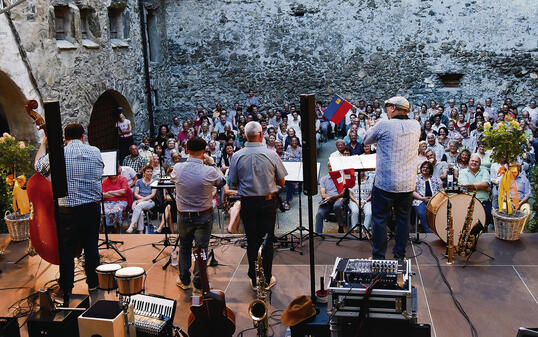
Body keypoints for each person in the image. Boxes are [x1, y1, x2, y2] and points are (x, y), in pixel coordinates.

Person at [35, 122, 104, 305]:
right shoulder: (95, 151)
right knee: (91, 247)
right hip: (91, 207)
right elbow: (100, 172)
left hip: (67, 210)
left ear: (65, 138)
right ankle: (94, 284)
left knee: (66, 250)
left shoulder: (58, 154)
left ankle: (66, 287)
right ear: (83, 136)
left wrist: (45, 142)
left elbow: (38, 166)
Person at [229, 121, 286, 291]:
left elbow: (234, 181)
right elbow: (282, 180)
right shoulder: (271, 154)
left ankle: (254, 280)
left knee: (252, 240)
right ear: (261, 134)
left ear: (246, 136)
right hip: (267, 202)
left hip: (248, 203)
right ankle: (266, 279)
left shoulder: (237, 156)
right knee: (267, 241)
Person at [364, 96, 420, 260]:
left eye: (387, 107)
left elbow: (367, 140)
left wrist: (372, 126)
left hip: (385, 183)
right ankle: (399, 254)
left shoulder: (384, 124)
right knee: (403, 220)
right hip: (407, 183)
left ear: (393, 108)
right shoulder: (416, 125)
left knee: (380, 219)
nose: (386, 110)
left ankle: (379, 257)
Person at [171, 137, 225, 294]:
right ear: (204, 151)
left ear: (187, 150)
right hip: (203, 216)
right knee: (202, 249)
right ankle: (200, 285)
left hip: (183, 216)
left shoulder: (178, 168)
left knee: (185, 245)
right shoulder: (209, 171)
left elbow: (173, 179)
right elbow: (222, 181)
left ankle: (184, 280)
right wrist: (213, 163)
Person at [315, 163, 359, 233]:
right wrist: (330, 197)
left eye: (332, 166)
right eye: (329, 166)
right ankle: (318, 233)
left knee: (337, 205)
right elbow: (323, 194)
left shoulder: (342, 178)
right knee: (319, 213)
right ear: (328, 167)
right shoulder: (323, 179)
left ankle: (340, 226)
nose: (331, 168)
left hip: (339, 199)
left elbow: (342, 193)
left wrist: (333, 197)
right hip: (328, 201)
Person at [458, 154, 492, 227]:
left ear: (480, 164)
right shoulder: (462, 172)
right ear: (469, 162)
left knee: (487, 219)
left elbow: (486, 184)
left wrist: (471, 186)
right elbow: (464, 187)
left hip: (484, 202)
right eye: (472, 161)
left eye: (476, 162)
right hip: (468, 202)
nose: (474, 163)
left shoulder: (485, 171)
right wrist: (483, 187)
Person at [413, 161, 443, 233]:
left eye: (427, 168)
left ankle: (438, 230)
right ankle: (429, 231)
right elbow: (412, 192)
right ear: (421, 168)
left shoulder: (436, 178)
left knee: (439, 211)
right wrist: (422, 198)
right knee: (421, 212)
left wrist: (435, 199)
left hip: (434, 200)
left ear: (430, 170)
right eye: (423, 167)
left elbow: (441, 191)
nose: (425, 169)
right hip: (420, 200)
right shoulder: (416, 178)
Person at [127, 165, 157, 233]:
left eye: (151, 171)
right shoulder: (139, 181)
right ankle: (140, 231)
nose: (150, 173)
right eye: (148, 171)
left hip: (150, 202)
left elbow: (152, 194)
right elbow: (136, 194)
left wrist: (142, 200)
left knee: (139, 206)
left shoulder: (154, 182)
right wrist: (143, 199)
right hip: (139, 200)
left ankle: (132, 225)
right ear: (144, 172)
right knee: (140, 211)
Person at [102, 167, 133, 233]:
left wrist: (110, 192)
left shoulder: (123, 179)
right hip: (107, 201)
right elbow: (103, 195)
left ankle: (117, 230)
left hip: (121, 201)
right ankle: (108, 228)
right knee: (103, 211)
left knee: (116, 210)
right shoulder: (105, 181)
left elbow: (123, 191)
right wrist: (117, 193)